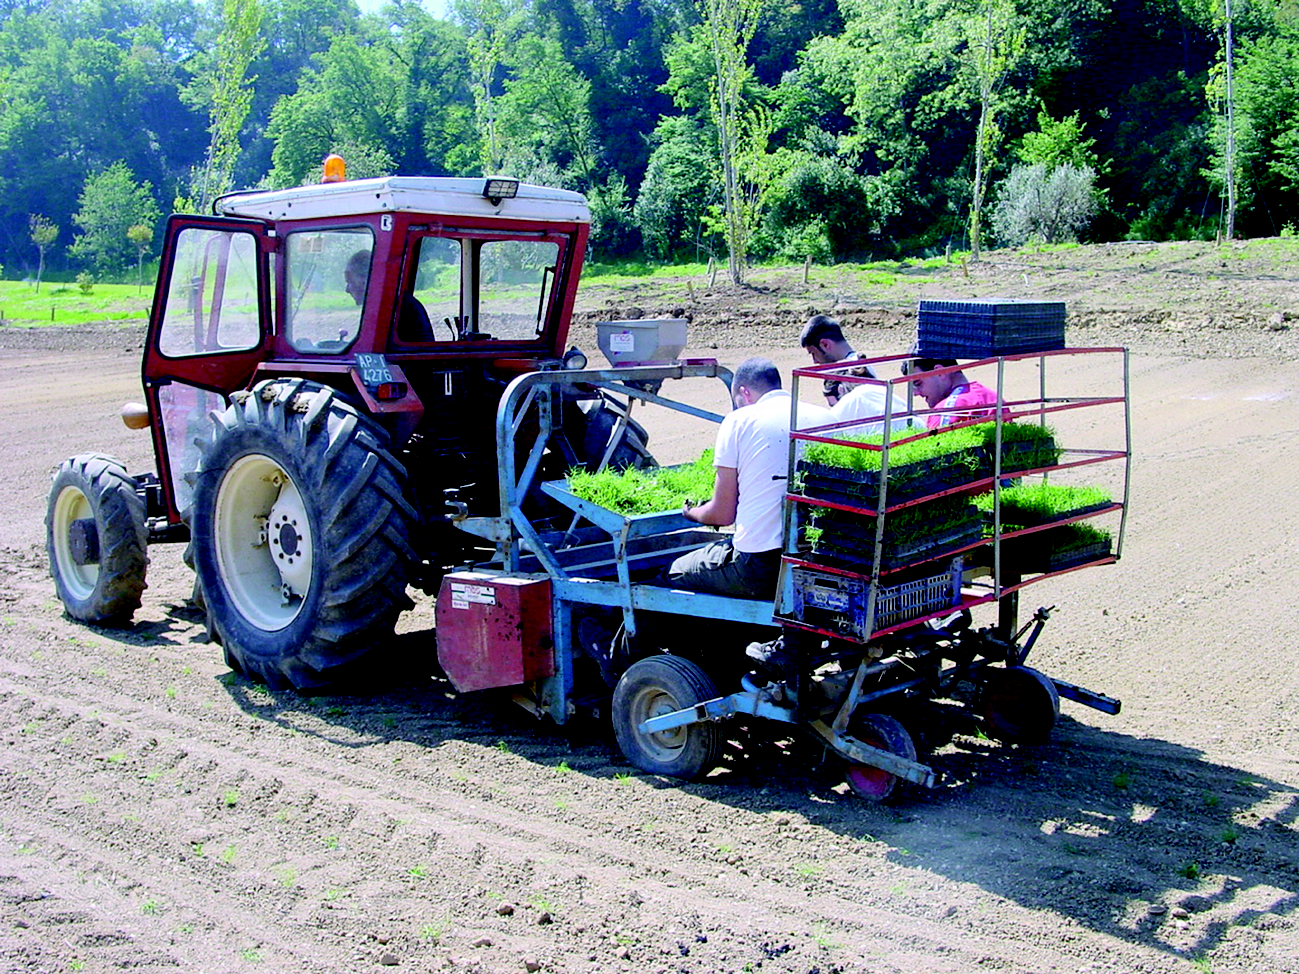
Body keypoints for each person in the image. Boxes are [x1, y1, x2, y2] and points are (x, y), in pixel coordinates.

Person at [667, 358, 831, 598]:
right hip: (817, 560)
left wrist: (692, 512)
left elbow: (722, 515)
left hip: (760, 569)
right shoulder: (824, 417)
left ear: (744, 392)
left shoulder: (739, 420)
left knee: (672, 573)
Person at [345, 249, 435, 342]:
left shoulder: (391, 307)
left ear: (365, 280)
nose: (347, 290)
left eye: (349, 281)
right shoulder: (388, 302)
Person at [799, 315, 877, 407]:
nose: (815, 361)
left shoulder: (849, 374)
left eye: (813, 353)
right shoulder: (861, 364)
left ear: (825, 344)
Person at [905, 357, 1005, 429]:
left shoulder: (945, 411)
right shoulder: (994, 398)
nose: (915, 393)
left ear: (940, 373)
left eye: (918, 383)